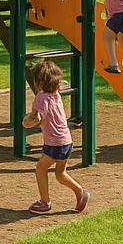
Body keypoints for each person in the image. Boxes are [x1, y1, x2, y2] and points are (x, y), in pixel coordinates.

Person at [22, 60, 90, 215]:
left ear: (38, 81)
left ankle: (44, 202)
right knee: (60, 174)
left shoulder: (41, 97)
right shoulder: (56, 95)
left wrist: (26, 122)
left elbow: (35, 118)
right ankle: (80, 193)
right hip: (66, 141)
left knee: (40, 168)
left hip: (54, 144)